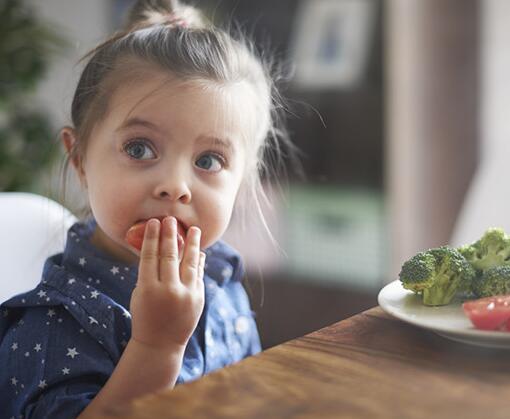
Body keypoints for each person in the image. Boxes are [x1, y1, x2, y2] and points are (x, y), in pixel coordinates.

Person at [0, 0, 294, 417]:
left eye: (208, 160)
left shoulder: (224, 281)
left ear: (243, 181)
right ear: (80, 159)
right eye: (139, 149)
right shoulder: (52, 325)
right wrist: (157, 347)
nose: (175, 186)